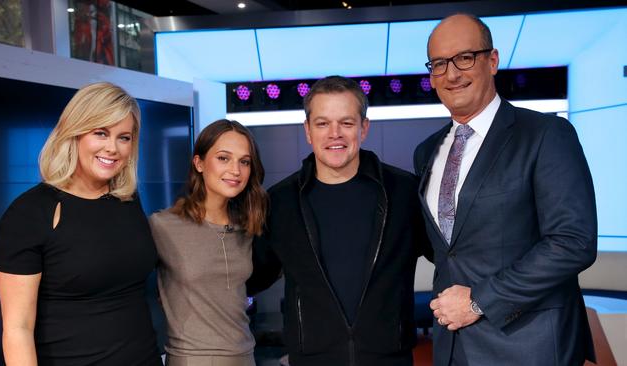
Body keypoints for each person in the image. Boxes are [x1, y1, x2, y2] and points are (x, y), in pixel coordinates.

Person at [413, 13, 597, 366]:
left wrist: (478, 300)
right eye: (439, 64)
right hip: (452, 347)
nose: (451, 74)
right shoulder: (427, 151)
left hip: (530, 346)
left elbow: (573, 242)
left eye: (464, 58)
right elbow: (446, 248)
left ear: (492, 60)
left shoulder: (545, 135)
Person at [248, 76, 430, 366]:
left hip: (389, 359)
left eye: (346, 122)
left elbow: (452, 258)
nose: (335, 134)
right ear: (308, 131)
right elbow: (250, 277)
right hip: (312, 360)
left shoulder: (404, 192)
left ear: (364, 127)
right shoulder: (279, 202)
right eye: (322, 123)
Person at [0, 82, 162, 365]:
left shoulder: (128, 200)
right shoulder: (29, 213)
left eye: (124, 137)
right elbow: (17, 330)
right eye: (101, 133)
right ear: (74, 132)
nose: (113, 148)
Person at [149, 119, 268, 366]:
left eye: (244, 162)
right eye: (224, 158)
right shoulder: (163, 225)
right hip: (191, 358)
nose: (236, 170)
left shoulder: (248, 227)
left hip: (245, 355)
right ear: (199, 163)